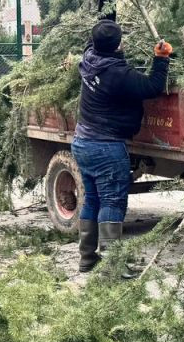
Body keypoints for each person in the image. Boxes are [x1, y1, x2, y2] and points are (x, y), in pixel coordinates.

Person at [72, 17, 173, 272]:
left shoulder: (88, 58)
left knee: (93, 199)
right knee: (112, 202)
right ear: (118, 46)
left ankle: (87, 258)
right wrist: (161, 58)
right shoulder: (118, 74)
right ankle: (112, 266)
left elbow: (103, 24)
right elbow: (152, 86)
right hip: (106, 146)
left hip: (83, 142)